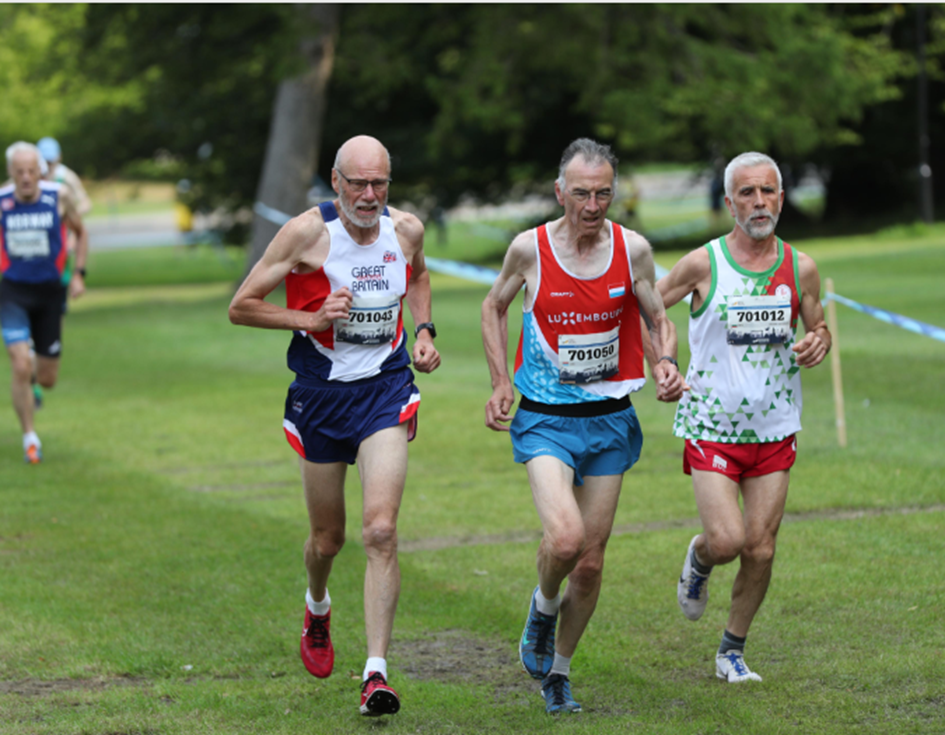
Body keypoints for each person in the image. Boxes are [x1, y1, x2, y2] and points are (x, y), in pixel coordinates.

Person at [228, 135, 440, 717]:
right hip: (320, 397)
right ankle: (317, 604)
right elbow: (241, 305)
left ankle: (375, 674)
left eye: (380, 184)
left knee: (380, 531)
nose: (370, 196)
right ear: (336, 181)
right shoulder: (306, 234)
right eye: (358, 184)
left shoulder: (407, 230)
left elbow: (418, 278)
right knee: (329, 539)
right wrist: (309, 317)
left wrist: (423, 332)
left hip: (385, 391)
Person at [481, 138, 682, 714]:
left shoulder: (634, 250)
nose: (592, 206)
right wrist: (500, 382)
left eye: (603, 194)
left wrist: (665, 362)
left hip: (610, 421)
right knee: (565, 540)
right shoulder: (531, 249)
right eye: (580, 194)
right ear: (558, 191)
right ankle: (543, 606)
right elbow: (494, 306)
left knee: (591, 563)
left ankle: (559, 673)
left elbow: (657, 317)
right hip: (545, 419)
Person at [656, 151, 830, 683]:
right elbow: (651, 308)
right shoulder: (703, 263)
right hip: (711, 423)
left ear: (781, 196)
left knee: (761, 546)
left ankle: (732, 649)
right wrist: (664, 362)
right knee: (728, 541)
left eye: (769, 191)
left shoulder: (800, 267)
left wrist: (817, 341)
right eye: (748, 194)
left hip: (774, 424)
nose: (759, 202)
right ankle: (702, 557)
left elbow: (818, 326)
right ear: (729, 202)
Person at [1, 142, 88, 463]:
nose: (25, 177)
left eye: (30, 171)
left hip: (50, 294)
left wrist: (78, 274)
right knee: (20, 365)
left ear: (41, 171)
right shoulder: (2, 201)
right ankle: (29, 437)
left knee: (47, 378)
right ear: (11, 173)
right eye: (19, 172)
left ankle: (35, 375)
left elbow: (81, 232)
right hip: (12, 293)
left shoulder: (58, 196)